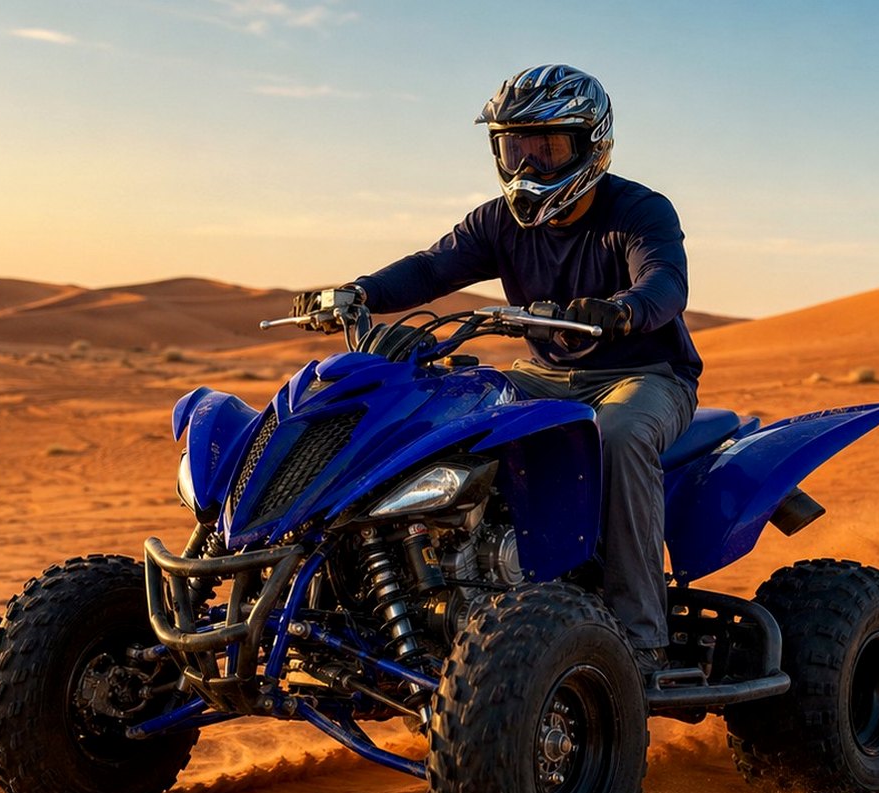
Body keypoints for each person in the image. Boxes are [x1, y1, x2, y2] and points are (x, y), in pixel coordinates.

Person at [291, 64, 700, 678]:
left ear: (592, 144)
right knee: (438, 413)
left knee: (617, 436)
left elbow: (665, 282)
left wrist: (621, 311)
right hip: (542, 375)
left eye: (548, 148)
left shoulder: (638, 211)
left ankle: (641, 640)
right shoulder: (498, 221)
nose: (528, 168)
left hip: (642, 374)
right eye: (515, 149)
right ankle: (431, 588)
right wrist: (359, 292)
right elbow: (432, 269)